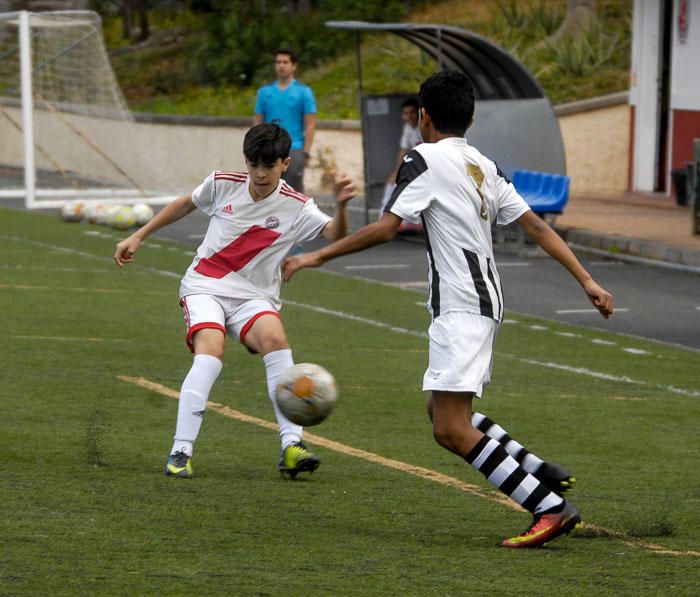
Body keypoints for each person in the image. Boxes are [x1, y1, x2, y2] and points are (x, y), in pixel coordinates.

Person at [283, 70, 614, 548]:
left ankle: (548, 507)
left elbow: (386, 228)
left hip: (461, 304)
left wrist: (314, 255)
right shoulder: (485, 164)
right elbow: (537, 228)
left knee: (449, 429)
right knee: (440, 407)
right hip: (484, 299)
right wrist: (587, 280)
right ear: (471, 118)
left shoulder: (421, 158)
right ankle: (537, 469)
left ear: (423, 117)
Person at [114, 123, 356, 480]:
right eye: (253, 164)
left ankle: (292, 446)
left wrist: (342, 205)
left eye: (269, 165)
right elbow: (185, 204)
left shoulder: (298, 206)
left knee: (276, 340)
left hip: (254, 298)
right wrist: (139, 235)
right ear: (246, 160)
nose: (259, 173)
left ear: (285, 163)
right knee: (210, 352)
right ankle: (181, 450)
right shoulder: (222, 182)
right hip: (205, 286)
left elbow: (335, 233)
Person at [254, 47, 316, 193]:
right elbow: (258, 124)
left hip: (294, 149)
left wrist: (305, 152)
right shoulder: (264, 92)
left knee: (293, 192)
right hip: (269, 149)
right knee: (269, 191)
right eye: (278, 62)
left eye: (285, 62)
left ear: (293, 66)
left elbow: (310, 125)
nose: (281, 65)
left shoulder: (304, 92)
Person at [380, 98, 423, 234]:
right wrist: (397, 171)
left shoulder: (425, 126)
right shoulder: (408, 127)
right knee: (392, 184)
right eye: (405, 113)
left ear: (419, 113)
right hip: (414, 166)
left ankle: (412, 222)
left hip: (425, 167)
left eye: (412, 113)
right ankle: (384, 219)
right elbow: (403, 150)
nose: (409, 116)